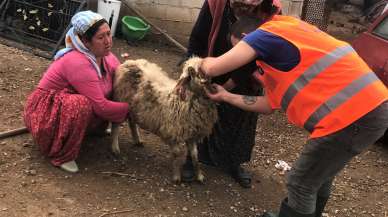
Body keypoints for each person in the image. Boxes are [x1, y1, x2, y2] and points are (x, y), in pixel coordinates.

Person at [200, 12, 388, 217]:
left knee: (300, 183)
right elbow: (268, 105)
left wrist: (196, 63)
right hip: (372, 109)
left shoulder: (265, 35)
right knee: (319, 176)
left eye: (237, 48)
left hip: (352, 117)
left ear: (246, 38)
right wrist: (226, 96)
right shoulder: (286, 38)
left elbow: (212, 67)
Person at [180, 0, 281, 189]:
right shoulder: (214, 4)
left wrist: (229, 86)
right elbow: (197, 39)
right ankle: (190, 158)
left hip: (248, 73)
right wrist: (189, 71)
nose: (245, 5)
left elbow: (261, 57)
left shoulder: (272, 11)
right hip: (210, 66)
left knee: (239, 120)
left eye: (251, 3)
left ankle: (233, 162)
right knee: (196, 114)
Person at [23, 11, 129, 173]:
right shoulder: (77, 62)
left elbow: (122, 76)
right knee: (81, 104)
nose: (108, 42)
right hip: (45, 115)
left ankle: (90, 130)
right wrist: (132, 109)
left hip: (63, 108)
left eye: (109, 34)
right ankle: (61, 154)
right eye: (101, 38)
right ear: (85, 41)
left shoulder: (106, 56)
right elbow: (100, 106)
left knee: (110, 87)